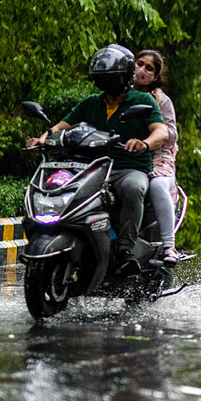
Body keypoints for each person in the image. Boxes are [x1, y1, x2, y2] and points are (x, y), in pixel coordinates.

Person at [27, 44, 168, 271]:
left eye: (111, 77)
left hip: (127, 167)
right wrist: (41, 140)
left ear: (124, 77)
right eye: (101, 78)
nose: (105, 82)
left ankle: (125, 250)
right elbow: (59, 127)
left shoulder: (142, 100)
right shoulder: (91, 103)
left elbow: (162, 131)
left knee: (134, 188)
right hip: (90, 168)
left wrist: (144, 143)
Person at [132, 50, 182, 264]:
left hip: (157, 158)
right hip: (124, 155)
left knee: (157, 186)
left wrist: (149, 139)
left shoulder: (161, 100)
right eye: (139, 63)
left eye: (148, 68)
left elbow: (171, 133)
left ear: (155, 77)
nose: (141, 70)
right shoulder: (118, 95)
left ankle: (169, 246)